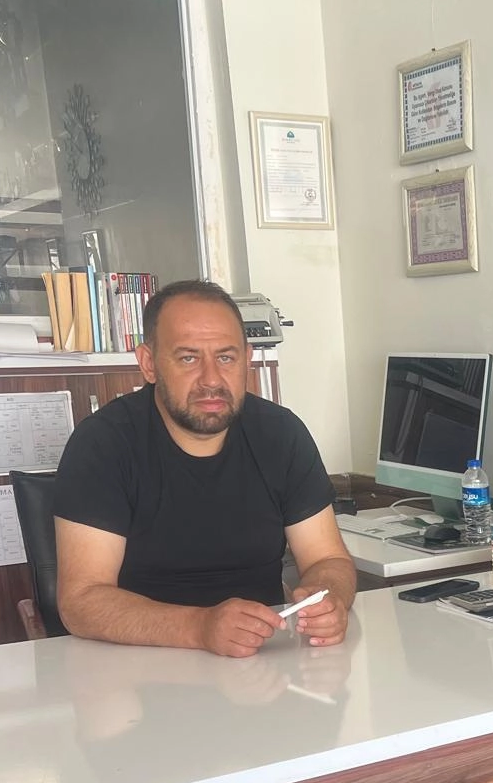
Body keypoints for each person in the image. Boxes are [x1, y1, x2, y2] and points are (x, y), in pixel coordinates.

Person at [54, 280, 356, 658]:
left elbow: (328, 560)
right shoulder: (103, 443)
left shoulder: (281, 434)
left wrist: (329, 598)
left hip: (263, 658)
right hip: (138, 662)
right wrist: (200, 627)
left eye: (226, 358)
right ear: (149, 363)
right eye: (188, 358)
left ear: (247, 359)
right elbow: (81, 601)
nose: (212, 379)